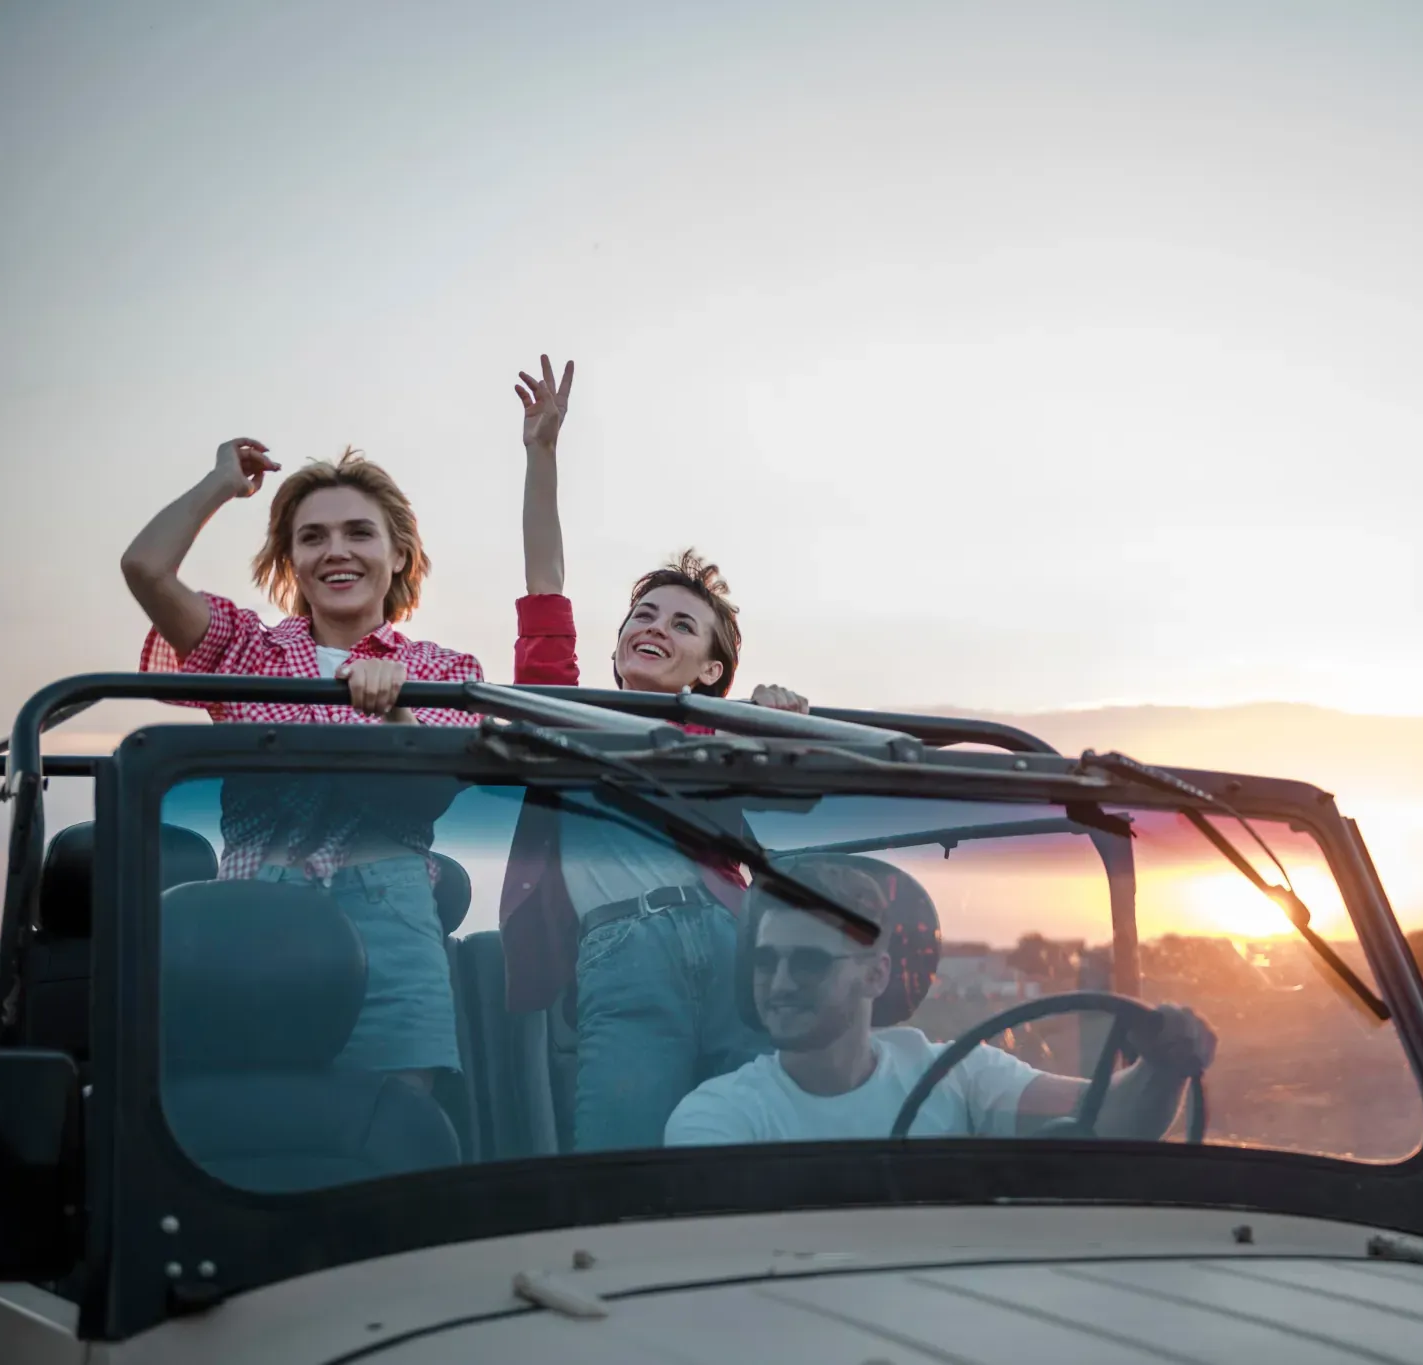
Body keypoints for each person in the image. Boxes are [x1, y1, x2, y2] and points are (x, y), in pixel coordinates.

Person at [497, 355, 806, 1150]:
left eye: (680, 623)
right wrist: (543, 456)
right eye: (643, 612)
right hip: (623, 950)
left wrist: (778, 722)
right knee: (623, 1148)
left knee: (753, 1142)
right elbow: (546, 584)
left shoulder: (723, 736)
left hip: (733, 942)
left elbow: (798, 801)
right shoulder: (567, 712)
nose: (653, 627)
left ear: (710, 670)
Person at [122, 440, 481, 1084]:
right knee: (248, 1111)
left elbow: (431, 794)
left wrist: (395, 708)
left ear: (398, 554)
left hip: (390, 915)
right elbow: (145, 568)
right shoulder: (244, 650)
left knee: (397, 1120)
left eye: (359, 533)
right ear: (292, 561)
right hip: (258, 912)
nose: (336, 550)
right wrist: (218, 484)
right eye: (312, 537)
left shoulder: (443, 672)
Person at [664, 860, 1218, 1145]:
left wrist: (1163, 1068)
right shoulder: (717, 1118)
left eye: (808, 962)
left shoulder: (954, 1074)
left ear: (875, 975)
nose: (779, 982)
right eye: (766, 961)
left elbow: (1106, 1119)